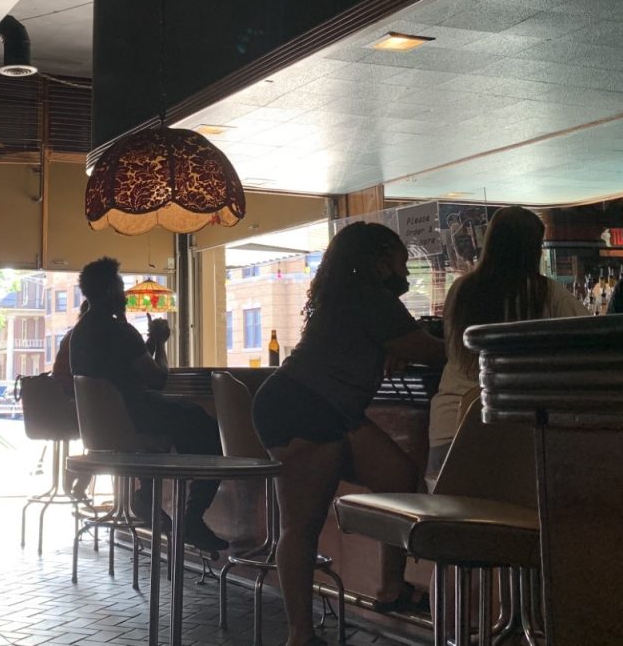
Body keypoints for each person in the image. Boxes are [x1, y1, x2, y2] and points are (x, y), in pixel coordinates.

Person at [252, 222, 445, 646]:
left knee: (397, 476)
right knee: (302, 525)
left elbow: (405, 341)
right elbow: (434, 350)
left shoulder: (349, 295)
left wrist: (397, 344)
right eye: (401, 262)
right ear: (379, 262)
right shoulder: (369, 296)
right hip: (303, 406)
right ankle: (300, 635)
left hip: (315, 403)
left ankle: (391, 588)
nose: (406, 273)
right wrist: (412, 342)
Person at [69, 257, 227, 551]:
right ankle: (192, 516)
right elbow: (157, 379)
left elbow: (126, 367)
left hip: (107, 427)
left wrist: (148, 344)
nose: (125, 295)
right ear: (107, 293)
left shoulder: (80, 333)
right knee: (205, 426)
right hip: (135, 417)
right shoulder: (119, 330)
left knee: (181, 420)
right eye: (120, 289)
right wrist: (162, 343)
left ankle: (146, 494)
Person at [428, 206, 589, 478]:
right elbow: (589, 340)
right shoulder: (545, 292)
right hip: (514, 425)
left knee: (453, 511)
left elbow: (451, 347)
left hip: (448, 424)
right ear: (533, 248)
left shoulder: (461, 290)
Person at [51, 299, 92, 498]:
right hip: (73, 407)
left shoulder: (72, 334)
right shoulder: (87, 337)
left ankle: (80, 471)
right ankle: (80, 471)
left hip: (58, 408)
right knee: (116, 429)